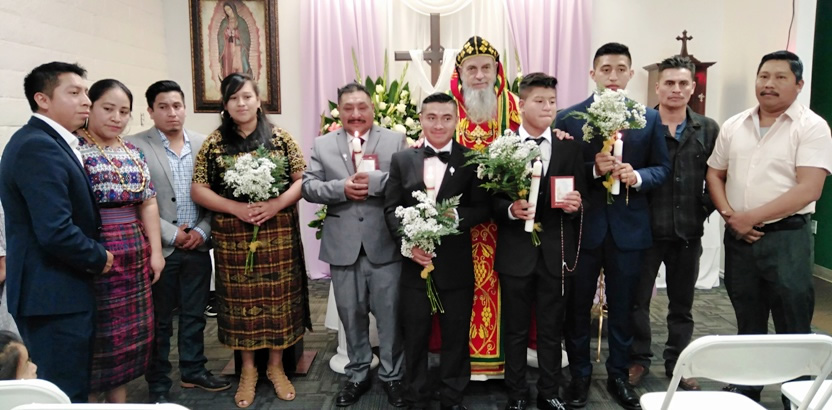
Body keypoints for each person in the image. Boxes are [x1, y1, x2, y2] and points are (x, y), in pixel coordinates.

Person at [706, 50, 832, 403]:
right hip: (740, 238)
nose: (769, 84)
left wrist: (751, 216)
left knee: (793, 325)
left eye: (780, 77)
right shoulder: (735, 124)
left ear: (799, 84)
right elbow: (715, 173)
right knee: (748, 320)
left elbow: (809, 188)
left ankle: (800, 395)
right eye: (764, 76)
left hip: (787, 238)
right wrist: (731, 215)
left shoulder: (812, 127)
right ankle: (748, 388)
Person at [556, 42, 670, 410]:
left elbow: (662, 168)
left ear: (631, 74)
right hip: (584, 228)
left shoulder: (647, 118)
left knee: (624, 307)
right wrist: (592, 169)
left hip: (629, 228)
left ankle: (619, 374)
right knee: (576, 307)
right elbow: (561, 172)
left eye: (621, 69)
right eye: (606, 69)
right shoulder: (570, 118)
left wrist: (637, 176)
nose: (613, 76)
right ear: (593, 74)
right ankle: (579, 374)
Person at [191, 73, 311, 408]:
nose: (241, 103)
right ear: (225, 105)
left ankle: (275, 366)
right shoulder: (215, 142)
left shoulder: (280, 138)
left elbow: (302, 180)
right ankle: (247, 370)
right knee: (239, 303)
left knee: (278, 299)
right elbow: (199, 188)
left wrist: (275, 204)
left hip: (277, 233)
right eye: (233, 98)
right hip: (233, 236)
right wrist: (236, 208)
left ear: (258, 100)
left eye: (246, 96)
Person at [0, 62, 113, 402]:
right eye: (74, 92)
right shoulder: (38, 146)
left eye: (86, 93)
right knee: (62, 392)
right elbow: (55, 230)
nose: (86, 101)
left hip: (57, 290)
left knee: (69, 385)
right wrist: (99, 257)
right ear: (43, 99)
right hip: (51, 294)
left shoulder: (51, 141)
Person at [302, 82, 407, 408]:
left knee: (390, 317)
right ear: (340, 111)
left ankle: (392, 375)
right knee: (351, 315)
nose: (356, 114)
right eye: (348, 108)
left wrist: (372, 183)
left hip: (384, 244)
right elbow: (308, 186)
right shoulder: (323, 144)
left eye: (362, 107)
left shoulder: (394, 140)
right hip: (343, 245)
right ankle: (358, 373)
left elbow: (404, 181)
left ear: (372, 109)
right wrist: (341, 188)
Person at [384, 93, 490, 410]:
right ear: (421, 119)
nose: (439, 124)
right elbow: (391, 209)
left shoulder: (471, 160)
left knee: (455, 334)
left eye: (446, 118)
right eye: (431, 117)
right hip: (414, 266)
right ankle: (415, 393)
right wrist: (409, 244)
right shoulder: (402, 160)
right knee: (414, 334)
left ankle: (453, 394)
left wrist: (456, 216)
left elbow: (483, 208)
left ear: (457, 120)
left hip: (456, 267)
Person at [128, 80, 230, 404]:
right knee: (159, 321)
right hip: (161, 247)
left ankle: (193, 370)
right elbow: (136, 202)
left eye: (177, 106)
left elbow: (218, 194)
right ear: (150, 111)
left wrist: (202, 230)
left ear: (185, 108)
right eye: (163, 107)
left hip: (198, 244)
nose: (172, 113)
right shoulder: (134, 146)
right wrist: (172, 234)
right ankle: (158, 381)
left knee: (194, 314)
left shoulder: (204, 143)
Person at [495, 73, 587, 410]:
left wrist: (576, 206)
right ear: (521, 104)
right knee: (515, 329)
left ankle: (550, 391)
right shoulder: (503, 146)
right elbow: (490, 199)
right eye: (539, 101)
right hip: (515, 254)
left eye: (552, 102)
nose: (548, 107)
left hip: (554, 253)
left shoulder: (568, 146)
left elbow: (582, 196)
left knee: (551, 329)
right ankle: (517, 393)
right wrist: (509, 209)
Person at [628, 56, 719, 392]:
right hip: (645, 231)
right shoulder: (639, 126)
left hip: (687, 231)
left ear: (692, 88)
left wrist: (703, 207)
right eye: (669, 83)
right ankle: (638, 358)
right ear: (658, 87)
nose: (676, 89)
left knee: (682, 305)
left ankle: (678, 362)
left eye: (683, 83)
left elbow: (719, 175)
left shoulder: (707, 128)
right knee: (637, 302)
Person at [76, 79, 164, 403]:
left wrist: (156, 252)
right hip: (97, 250)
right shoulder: (75, 149)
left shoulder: (133, 151)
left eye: (124, 111)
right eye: (108, 108)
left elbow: (149, 202)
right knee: (100, 337)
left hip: (135, 249)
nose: (116, 118)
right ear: (91, 107)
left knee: (129, 337)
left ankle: (119, 402)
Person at [449, 35, 521, 376]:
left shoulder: (514, 106)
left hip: (504, 223)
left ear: (497, 71)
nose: (479, 76)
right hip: (459, 223)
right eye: (472, 69)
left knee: (503, 288)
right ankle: (459, 362)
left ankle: (502, 362)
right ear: (460, 73)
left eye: (486, 68)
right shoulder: (447, 109)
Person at [218, 1, 252, 79]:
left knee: (239, 65)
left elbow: (246, 36)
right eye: (226, 10)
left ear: (233, 9)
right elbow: (220, 36)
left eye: (229, 9)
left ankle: (241, 81)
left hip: (238, 47)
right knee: (228, 66)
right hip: (227, 49)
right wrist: (226, 33)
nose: (228, 12)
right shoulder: (224, 22)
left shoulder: (241, 21)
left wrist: (236, 33)